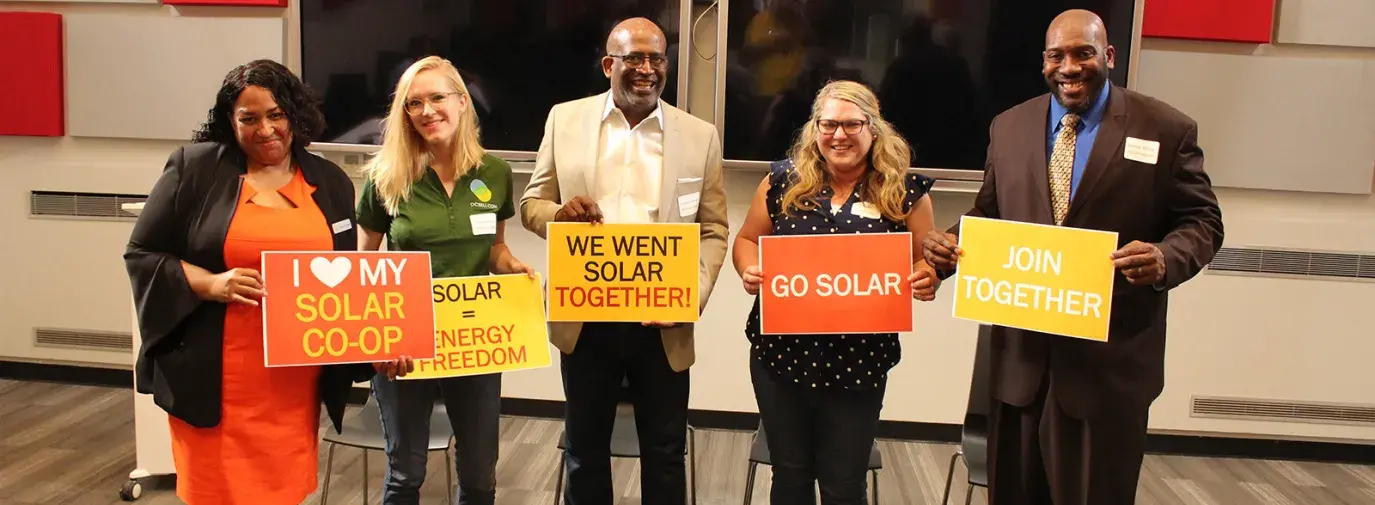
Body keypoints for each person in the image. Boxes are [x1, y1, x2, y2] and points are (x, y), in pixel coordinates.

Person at [921, 10, 1224, 505]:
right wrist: (947, 248)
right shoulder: (1011, 126)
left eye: (1083, 53)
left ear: (1107, 56)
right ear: (1044, 62)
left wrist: (1167, 257)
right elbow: (991, 213)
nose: (1069, 66)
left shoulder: (1165, 128)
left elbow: (1203, 222)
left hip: (1107, 367)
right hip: (1019, 364)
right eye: (1056, 55)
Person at [123, 59, 411, 505]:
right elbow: (142, 254)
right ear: (229, 121)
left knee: (283, 494)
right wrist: (211, 283)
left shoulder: (330, 182)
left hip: (292, 385)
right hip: (215, 379)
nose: (265, 130)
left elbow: (343, 282)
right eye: (249, 118)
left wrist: (378, 344)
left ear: (294, 114)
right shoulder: (194, 170)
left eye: (276, 114)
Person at [519, 17, 729, 505]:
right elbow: (532, 206)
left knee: (664, 449)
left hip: (663, 319)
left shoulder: (700, 136)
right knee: (585, 449)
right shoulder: (564, 120)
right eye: (634, 57)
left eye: (657, 58)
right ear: (608, 64)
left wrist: (692, 297)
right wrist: (560, 214)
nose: (647, 69)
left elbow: (715, 230)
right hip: (586, 314)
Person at [730, 80, 939, 504]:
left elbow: (922, 258)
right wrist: (749, 268)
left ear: (873, 129)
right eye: (828, 124)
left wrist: (925, 276)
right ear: (815, 128)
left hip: (859, 363)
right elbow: (747, 240)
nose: (838, 135)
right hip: (780, 358)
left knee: (844, 483)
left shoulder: (905, 193)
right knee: (789, 476)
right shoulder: (781, 182)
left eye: (851, 124)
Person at [355, 55, 533, 505]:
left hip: (472, 336)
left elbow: (493, 249)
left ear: (461, 102)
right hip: (403, 337)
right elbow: (363, 263)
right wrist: (376, 338)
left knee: (478, 475)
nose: (427, 110)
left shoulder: (493, 173)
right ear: (405, 114)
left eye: (437, 97)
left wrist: (515, 268)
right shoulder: (385, 177)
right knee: (406, 472)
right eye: (414, 103)